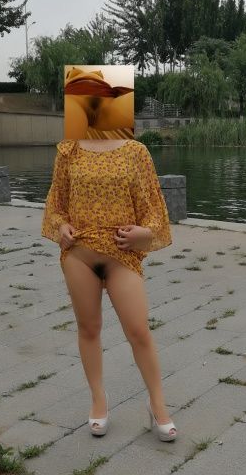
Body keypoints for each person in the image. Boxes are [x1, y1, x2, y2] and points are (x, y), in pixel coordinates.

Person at [41, 136, 177, 441]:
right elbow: (57, 204)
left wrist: (144, 233)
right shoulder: (69, 149)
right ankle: (98, 400)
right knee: (89, 328)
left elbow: (153, 209)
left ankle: (157, 403)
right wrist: (61, 226)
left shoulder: (135, 151)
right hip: (79, 254)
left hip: (121, 255)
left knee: (138, 330)